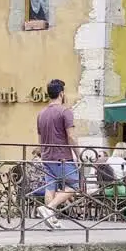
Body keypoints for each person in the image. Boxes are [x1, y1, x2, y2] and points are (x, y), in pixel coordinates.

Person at [34, 78, 78, 230]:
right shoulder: (65, 112)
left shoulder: (41, 114)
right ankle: (49, 209)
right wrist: (78, 154)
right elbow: (71, 136)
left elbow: (39, 140)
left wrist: (42, 153)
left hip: (46, 156)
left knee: (50, 187)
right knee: (74, 185)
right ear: (61, 94)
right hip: (62, 156)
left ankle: (51, 220)